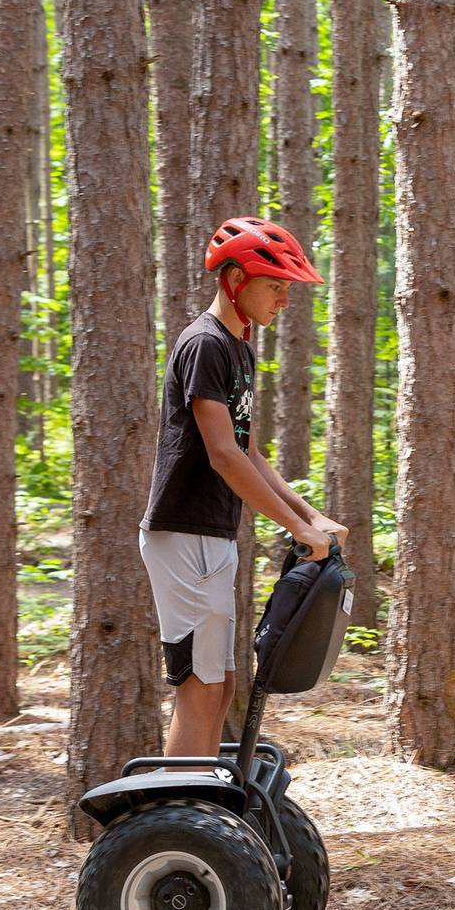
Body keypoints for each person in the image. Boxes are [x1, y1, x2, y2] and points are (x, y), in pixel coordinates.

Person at [139, 217, 347, 758]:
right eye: (275, 285)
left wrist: (311, 516)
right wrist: (298, 528)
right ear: (235, 279)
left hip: (210, 536)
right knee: (201, 686)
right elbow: (223, 455)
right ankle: (180, 821)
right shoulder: (205, 344)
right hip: (185, 533)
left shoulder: (239, 350)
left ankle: (199, 815)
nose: (284, 300)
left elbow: (250, 452)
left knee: (221, 686)